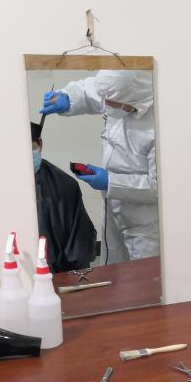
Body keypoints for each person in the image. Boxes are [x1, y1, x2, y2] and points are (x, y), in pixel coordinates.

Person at [41, 70, 159, 262]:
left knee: (144, 275)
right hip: (113, 208)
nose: (106, 105)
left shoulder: (159, 124)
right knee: (113, 266)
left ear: (131, 99)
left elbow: (157, 187)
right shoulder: (117, 87)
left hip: (145, 223)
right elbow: (91, 91)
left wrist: (111, 182)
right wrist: (68, 97)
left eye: (112, 102)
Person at [32, 123, 97, 272]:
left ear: (40, 144)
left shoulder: (64, 185)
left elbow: (79, 246)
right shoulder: (0, 188)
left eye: (30, 148)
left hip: (57, 275)